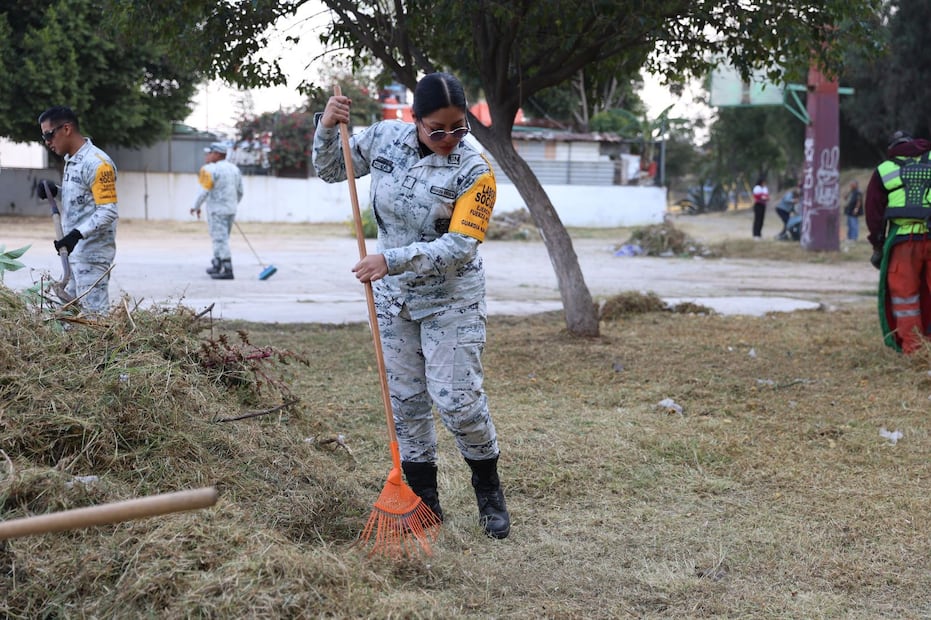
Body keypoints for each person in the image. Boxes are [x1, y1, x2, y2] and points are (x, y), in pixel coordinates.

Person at [312, 72, 510, 539]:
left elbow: (462, 245)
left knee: (458, 402)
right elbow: (330, 169)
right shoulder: (384, 138)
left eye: (459, 127)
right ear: (413, 119)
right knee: (407, 404)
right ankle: (425, 504)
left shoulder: (475, 171)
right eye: (436, 129)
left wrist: (391, 260)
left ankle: (489, 489)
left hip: (450, 299)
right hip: (393, 299)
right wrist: (326, 127)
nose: (448, 139)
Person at [37, 106, 118, 315]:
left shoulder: (98, 163)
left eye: (49, 134)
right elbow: (83, 198)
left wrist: (75, 235)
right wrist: (57, 191)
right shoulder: (72, 161)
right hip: (74, 254)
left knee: (94, 320)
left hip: (92, 256)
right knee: (68, 319)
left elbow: (108, 211)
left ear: (66, 129)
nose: (47, 141)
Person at [865, 130, 931, 354]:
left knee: (905, 299)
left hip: (903, 243)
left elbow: (873, 212)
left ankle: (914, 351)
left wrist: (877, 243)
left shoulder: (884, 170)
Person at [191, 142, 243, 280]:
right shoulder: (234, 169)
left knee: (220, 239)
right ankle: (217, 263)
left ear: (218, 154)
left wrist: (195, 206)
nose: (207, 156)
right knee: (221, 238)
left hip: (216, 210)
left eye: (210, 153)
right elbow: (240, 191)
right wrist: (232, 205)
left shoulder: (209, 170)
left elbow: (204, 190)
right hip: (230, 209)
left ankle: (227, 269)